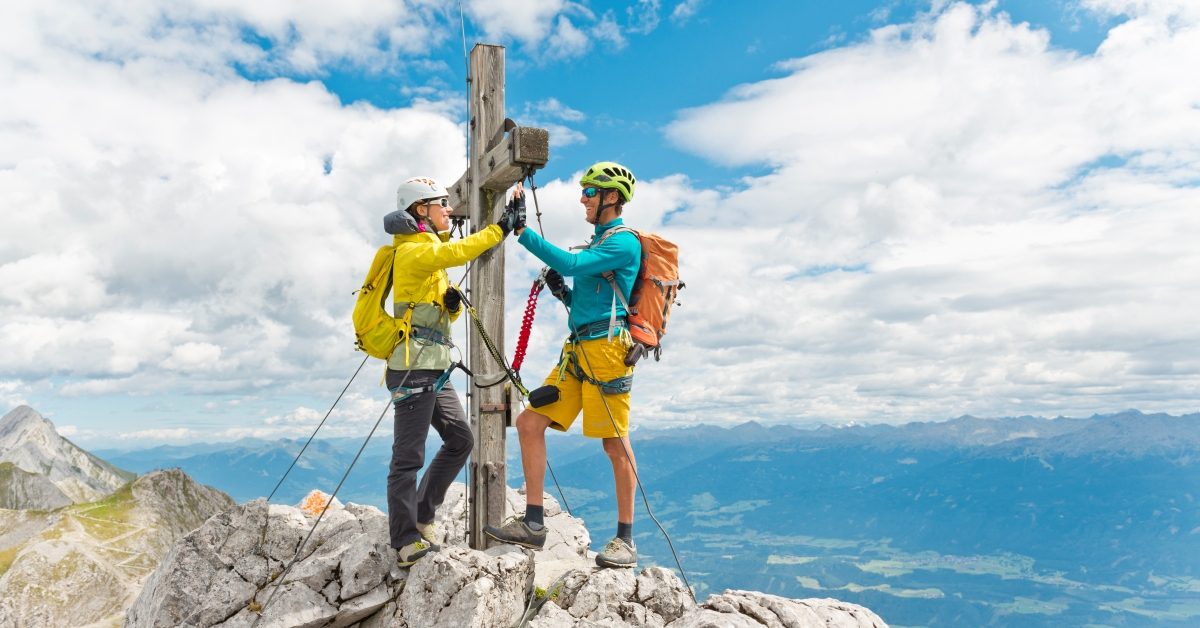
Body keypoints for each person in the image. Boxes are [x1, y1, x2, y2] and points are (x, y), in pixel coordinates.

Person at [484, 162, 643, 568]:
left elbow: (572, 266)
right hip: (580, 350)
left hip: (607, 354)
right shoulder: (600, 242)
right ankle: (534, 524)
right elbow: (591, 305)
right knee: (529, 423)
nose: (582, 198)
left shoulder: (623, 243)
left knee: (614, 443)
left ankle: (625, 540)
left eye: (590, 191)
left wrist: (521, 231)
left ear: (611, 197)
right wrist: (563, 295)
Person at [382, 176, 524, 566]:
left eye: (447, 202)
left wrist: (451, 305)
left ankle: (423, 515)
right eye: (439, 203)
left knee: (461, 439)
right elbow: (460, 252)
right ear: (419, 210)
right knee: (407, 457)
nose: (448, 209)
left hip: (434, 366)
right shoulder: (412, 250)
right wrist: (501, 228)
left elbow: (440, 310)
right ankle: (406, 540)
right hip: (414, 368)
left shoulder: (428, 252)